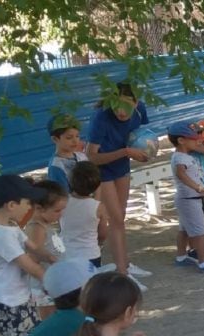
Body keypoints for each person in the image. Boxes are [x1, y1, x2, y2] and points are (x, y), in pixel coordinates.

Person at [86, 81, 152, 286]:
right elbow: (91, 157)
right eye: (116, 105)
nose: (120, 112)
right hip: (102, 170)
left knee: (120, 217)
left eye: (126, 106)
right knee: (116, 220)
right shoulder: (101, 118)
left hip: (121, 168)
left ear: (136, 102)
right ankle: (122, 274)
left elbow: (140, 137)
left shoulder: (140, 111)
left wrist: (145, 152)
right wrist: (126, 152)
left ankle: (124, 263)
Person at [0, 174, 49, 336]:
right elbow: (31, 267)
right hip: (7, 303)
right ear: (11, 205)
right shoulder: (0, 236)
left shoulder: (9, 224)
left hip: (20, 296)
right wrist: (58, 283)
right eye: (27, 203)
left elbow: (31, 246)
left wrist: (53, 258)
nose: (29, 208)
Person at [168, 121, 204, 274]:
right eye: (193, 138)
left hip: (190, 199)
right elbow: (181, 174)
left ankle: (181, 256)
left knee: (184, 229)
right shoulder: (180, 158)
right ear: (181, 140)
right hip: (189, 199)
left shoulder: (185, 155)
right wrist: (197, 187)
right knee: (200, 232)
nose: (197, 140)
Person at [24, 180, 68, 320]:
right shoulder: (36, 228)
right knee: (50, 322)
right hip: (45, 286)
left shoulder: (45, 224)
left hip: (54, 282)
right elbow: (33, 258)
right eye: (57, 210)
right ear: (38, 208)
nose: (60, 214)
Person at [61, 161, 109, 269]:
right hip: (90, 253)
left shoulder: (63, 202)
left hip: (67, 253)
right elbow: (103, 233)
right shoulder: (99, 207)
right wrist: (100, 243)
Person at [46, 114, 88, 193]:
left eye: (77, 136)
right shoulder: (56, 166)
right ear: (55, 139)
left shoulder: (82, 157)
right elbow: (63, 196)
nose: (75, 141)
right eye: (69, 137)